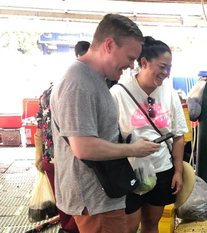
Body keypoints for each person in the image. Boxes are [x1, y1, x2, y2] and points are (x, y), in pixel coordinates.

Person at [50, 14, 161, 233]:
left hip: (102, 194)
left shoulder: (95, 79)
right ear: (109, 45)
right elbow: (83, 147)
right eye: (130, 58)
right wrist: (133, 149)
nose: (131, 66)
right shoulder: (78, 83)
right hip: (95, 198)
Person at [110, 36, 188, 233]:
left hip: (162, 169)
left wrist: (177, 171)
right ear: (144, 62)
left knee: (152, 223)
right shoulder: (119, 93)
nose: (166, 73)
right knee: (129, 227)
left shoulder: (169, 94)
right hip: (130, 171)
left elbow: (178, 136)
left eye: (169, 68)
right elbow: (108, 138)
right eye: (162, 66)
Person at [34, 40, 90, 233]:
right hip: (76, 161)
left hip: (51, 158)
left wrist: (38, 157)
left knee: (64, 205)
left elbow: (39, 130)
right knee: (83, 209)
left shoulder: (47, 92)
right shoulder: (84, 89)